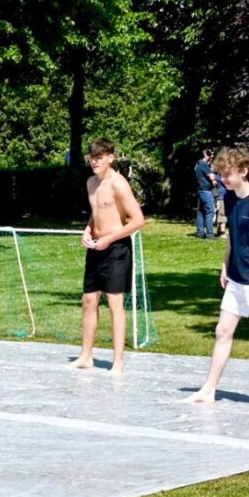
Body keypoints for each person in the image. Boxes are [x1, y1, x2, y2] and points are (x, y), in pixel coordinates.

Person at [189, 147, 249, 413]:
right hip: (237, 276)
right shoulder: (229, 198)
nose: (223, 179)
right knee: (222, 331)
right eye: (221, 174)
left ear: (244, 171)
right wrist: (225, 265)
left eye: (227, 174)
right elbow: (232, 234)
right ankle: (209, 390)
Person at [75, 138, 147, 375]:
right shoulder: (90, 183)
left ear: (110, 158)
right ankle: (86, 356)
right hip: (96, 247)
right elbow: (96, 214)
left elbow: (138, 220)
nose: (94, 162)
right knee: (88, 301)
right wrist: (87, 230)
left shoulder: (118, 184)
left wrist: (110, 238)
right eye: (92, 157)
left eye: (99, 157)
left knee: (115, 303)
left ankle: (118, 362)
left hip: (116, 249)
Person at [194, 149, 218, 239]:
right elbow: (212, 177)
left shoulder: (198, 164)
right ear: (206, 155)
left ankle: (200, 233)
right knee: (210, 211)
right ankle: (209, 234)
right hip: (206, 191)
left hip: (200, 190)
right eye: (210, 155)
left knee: (201, 212)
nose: (211, 156)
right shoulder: (204, 165)